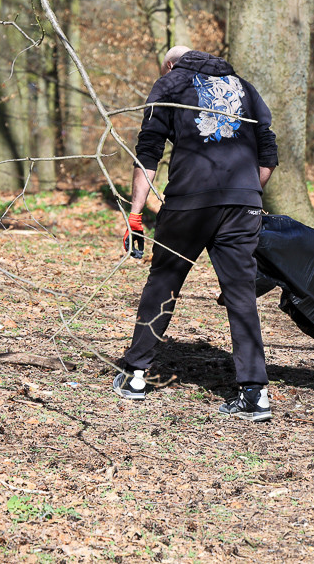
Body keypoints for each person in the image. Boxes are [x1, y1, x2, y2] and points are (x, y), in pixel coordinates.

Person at [113, 46, 278, 421]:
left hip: (189, 202)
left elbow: (148, 151)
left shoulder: (170, 84)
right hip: (243, 204)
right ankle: (255, 394)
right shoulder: (245, 88)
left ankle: (136, 375)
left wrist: (135, 214)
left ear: (171, 64)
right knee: (241, 292)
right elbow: (268, 153)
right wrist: (249, 193)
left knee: (164, 282)